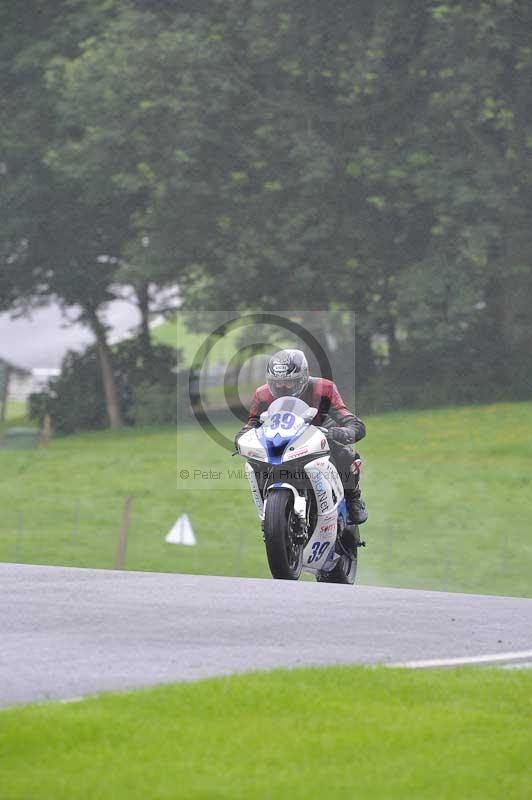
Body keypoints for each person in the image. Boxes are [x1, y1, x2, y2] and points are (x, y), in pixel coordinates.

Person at [234, 348, 368, 525]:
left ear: (303, 377)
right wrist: (241, 438)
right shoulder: (262, 394)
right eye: (277, 383)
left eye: (289, 383)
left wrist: (346, 432)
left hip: (319, 429)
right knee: (254, 462)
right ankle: (267, 511)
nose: (282, 388)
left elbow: (349, 419)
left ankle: (353, 497)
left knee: (344, 453)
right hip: (279, 437)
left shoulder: (324, 388)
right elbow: (252, 423)